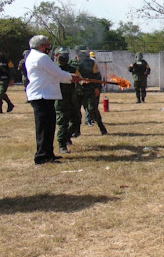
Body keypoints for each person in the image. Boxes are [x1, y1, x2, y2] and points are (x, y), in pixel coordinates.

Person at [25, 35, 80, 164]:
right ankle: (42, 156)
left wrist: (69, 77)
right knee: (44, 127)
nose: (49, 47)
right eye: (48, 45)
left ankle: (48, 153)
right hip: (42, 95)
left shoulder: (34, 56)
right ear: (42, 46)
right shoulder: (41, 57)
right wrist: (70, 77)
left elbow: (55, 74)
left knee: (49, 126)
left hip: (44, 95)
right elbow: (57, 72)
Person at [75, 49, 108, 135]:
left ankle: (102, 128)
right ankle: (76, 131)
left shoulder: (91, 63)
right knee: (75, 112)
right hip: (77, 91)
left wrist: (97, 88)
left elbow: (97, 76)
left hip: (89, 89)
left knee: (92, 109)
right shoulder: (72, 63)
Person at [54, 47, 79, 153]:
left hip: (72, 99)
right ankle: (62, 144)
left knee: (76, 121)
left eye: (66, 55)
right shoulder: (54, 69)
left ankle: (67, 137)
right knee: (63, 123)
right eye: (62, 55)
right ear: (56, 56)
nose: (64, 57)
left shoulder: (73, 69)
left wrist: (81, 81)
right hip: (60, 99)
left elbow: (79, 78)